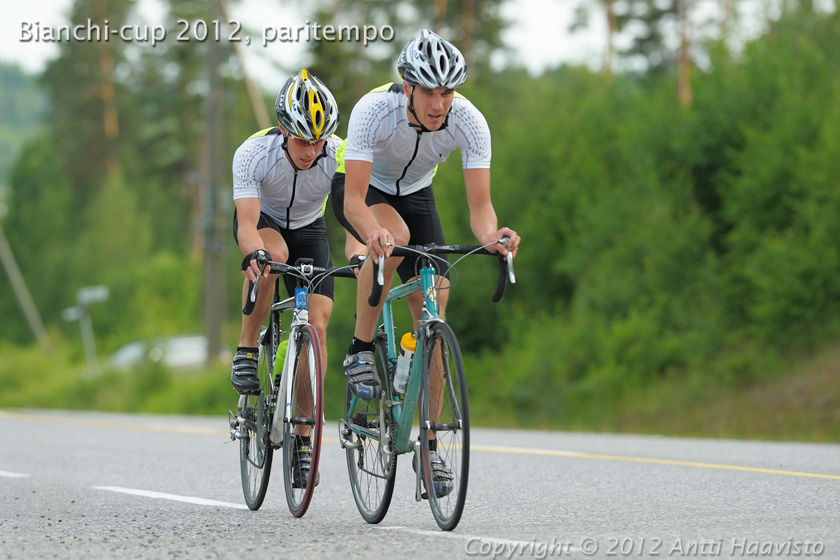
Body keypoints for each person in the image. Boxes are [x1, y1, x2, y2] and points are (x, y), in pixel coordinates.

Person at [330, 30, 521, 497]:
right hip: (362, 191)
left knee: (435, 304)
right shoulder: (375, 110)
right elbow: (353, 198)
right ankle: (359, 349)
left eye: (447, 92)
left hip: (417, 193)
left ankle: (430, 443)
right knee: (391, 241)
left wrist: (493, 237)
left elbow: (481, 211)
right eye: (430, 92)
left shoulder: (470, 122)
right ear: (408, 87)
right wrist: (371, 232)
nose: (439, 104)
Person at [230, 69, 350, 487]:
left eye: (318, 141)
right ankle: (247, 350)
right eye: (302, 139)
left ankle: (303, 438)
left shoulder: (338, 153)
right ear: (284, 129)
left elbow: (350, 206)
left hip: (309, 229)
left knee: (317, 326)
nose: (310, 150)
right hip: (263, 224)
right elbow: (245, 223)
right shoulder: (253, 153)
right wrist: (254, 253)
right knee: (273, 254)